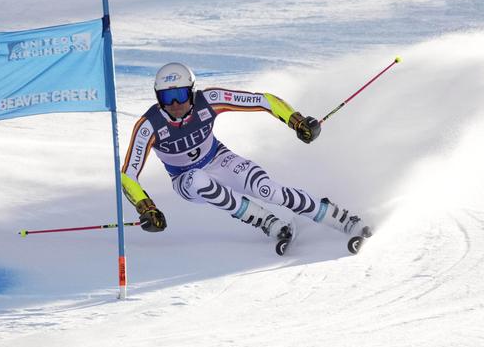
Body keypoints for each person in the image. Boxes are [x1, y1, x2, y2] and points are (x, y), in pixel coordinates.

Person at [121, 62, 367, 245]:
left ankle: (341, 218)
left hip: (218, 158)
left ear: (192, 92)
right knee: (198, 179)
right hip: (185, 180)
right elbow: (128, 175)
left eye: (180, 94)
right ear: (158, 97)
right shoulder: (149, 125)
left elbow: (263, 100)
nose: (175, 103)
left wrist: (296, 121)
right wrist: (146, 207)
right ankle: (264, 220)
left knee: (268, 190)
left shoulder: (211, 99)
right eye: (167, 96)